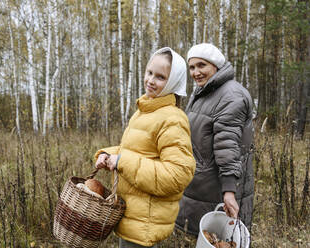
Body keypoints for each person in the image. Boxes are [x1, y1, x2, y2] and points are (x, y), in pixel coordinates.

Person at [94, 47, 196, 248]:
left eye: (160, 77)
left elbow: (178, 175)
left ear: (173, 82)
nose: (150, 80)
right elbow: (138, 151)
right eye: (149, 72)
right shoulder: (145, 111)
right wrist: (108, 155)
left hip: (145, 223)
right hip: (132, 215)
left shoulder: (172, 119)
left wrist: (122, 162)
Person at [175, 43, 254, 237]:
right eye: (192, 67)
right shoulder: (203, 91)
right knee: (203, 238)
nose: (196, 72)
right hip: (201, 183)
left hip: (217, 187)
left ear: (216, 65)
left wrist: (229, 191)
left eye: (202, 65)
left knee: (220, 237)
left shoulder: (231, 95)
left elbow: (227, 146)